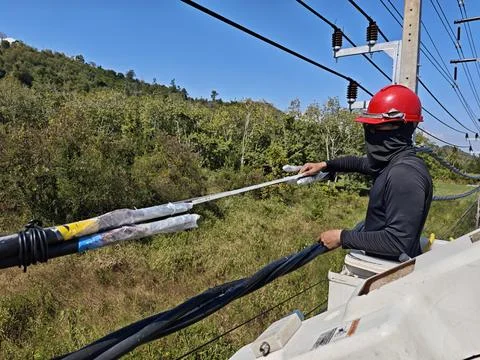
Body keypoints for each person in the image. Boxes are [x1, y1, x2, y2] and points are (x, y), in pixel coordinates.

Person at [300, 84, 432, 261]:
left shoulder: (404, 174)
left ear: (402, 126)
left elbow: (397, 241)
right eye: (369, 127)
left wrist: (341, 237)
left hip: (390, 271)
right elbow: (358, 163)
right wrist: (323, 165)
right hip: (382, 264)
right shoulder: (392, 162)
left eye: (376, 127)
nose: (370, 133)